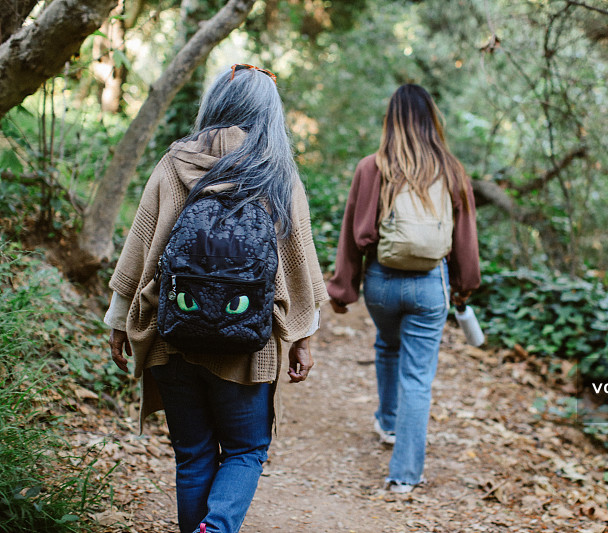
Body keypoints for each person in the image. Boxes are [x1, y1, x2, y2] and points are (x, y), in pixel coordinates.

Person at [104, 64, 328, 533]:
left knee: (193, 454)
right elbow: (299, 264)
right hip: (247, 343)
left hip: (173, 334)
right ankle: (217, 528)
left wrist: (119, 320)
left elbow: (139, 247)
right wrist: (303, 337)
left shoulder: (174, 163)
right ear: (269, 113)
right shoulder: (277, 174)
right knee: (246, 450)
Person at [327, 83, 480, 493]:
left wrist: (343, 289)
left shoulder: (371, 167)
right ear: (433, 120)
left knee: (387, 344)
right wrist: (464, 287)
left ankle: (389, 423)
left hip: (381, 283)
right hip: (430, 286)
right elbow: (465, 240)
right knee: (417, 378)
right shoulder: (452, 170)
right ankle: (404, 477)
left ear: (390, 121)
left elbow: (353, 233)